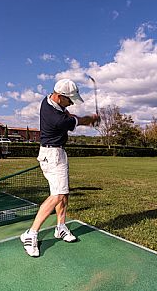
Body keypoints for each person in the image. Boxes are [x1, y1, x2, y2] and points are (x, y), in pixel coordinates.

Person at [20, 78, 99, 257]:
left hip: (57, 154)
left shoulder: (47, 101)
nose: (71, 103)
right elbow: (76, 121)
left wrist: (86, 119)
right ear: (59, 96)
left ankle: (61, 227)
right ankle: (30, 234)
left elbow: (70, 115)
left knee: (64, 193)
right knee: (58, 195)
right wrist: (91, 119)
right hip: (52, 156)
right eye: (70, 99)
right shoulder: (58, 119)